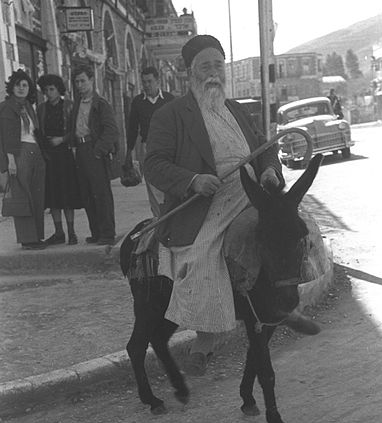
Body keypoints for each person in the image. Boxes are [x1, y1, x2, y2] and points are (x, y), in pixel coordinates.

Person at [145, 35, 316, 376]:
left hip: (253, 191)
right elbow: (154, 165)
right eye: (204, 66)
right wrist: (193, 180)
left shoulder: (235, 108)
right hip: (208, 201)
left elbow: (264, 148)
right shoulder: (172, 115)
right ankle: (205, 339)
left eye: (217, 66)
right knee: (207, 254)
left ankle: (286, 305)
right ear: (190, 73)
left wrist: (269, 169)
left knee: (291, 230)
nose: (213, 73)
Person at [70, 64, 119, 245]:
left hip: (94, 150)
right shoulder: (76, 104)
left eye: (83, 81)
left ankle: (107, 233)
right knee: (88, 194)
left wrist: (99, 151)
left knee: (101, 194)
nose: (80, 85)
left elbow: (112, 130)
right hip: (81, 151)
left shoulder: (101, 104)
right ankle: (96, 232)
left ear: (92, 80)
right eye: (76, 82)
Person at [0, 69, 46, 250]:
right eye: (17, 84)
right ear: (11, 87)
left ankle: (37, 237)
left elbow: (35, 131)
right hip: (19, 153)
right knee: (23, 196)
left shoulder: (28, 106)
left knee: (37, 194)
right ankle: (28, 239)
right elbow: (7, 136)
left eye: (25, 85)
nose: (21, 88)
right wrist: (10, 160)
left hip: (35, 151)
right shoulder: (5, 107)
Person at [37, 74, 82, 245]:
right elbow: (38, 131)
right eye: (46, 90)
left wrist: (62, 139)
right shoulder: (41, 109)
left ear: (58, 90)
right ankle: (58, 232)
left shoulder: (69, 106)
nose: (49, 93)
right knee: (53, 195)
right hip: (48, 156)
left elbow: (75, 130)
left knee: (67, 194)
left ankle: (72, 232)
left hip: (64, 154)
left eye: (52, 89)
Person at [125, 67, 174, 216]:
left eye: (150, 81)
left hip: (169, 148)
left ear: (158, 81)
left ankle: (171, 216)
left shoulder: (169, 100)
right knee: (153, 185)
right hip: (149, 148)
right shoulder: (138, 102)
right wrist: (129, 152)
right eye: (144, 82)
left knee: (169, 184)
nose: (146, 85)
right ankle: (158, 219)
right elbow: (132, 128)